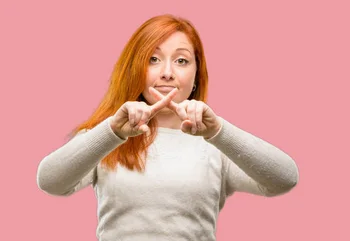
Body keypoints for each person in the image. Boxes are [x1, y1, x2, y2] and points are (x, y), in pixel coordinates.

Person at [36, 14, 299, 241]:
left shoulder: (215, 145)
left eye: (181, 61)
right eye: (153, 59)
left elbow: (285, 178)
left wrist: (218, 130)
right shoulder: (107, 137)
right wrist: (112, 132)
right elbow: (50, 182)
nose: (167, 73)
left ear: (196, 76)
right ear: (135, 69)